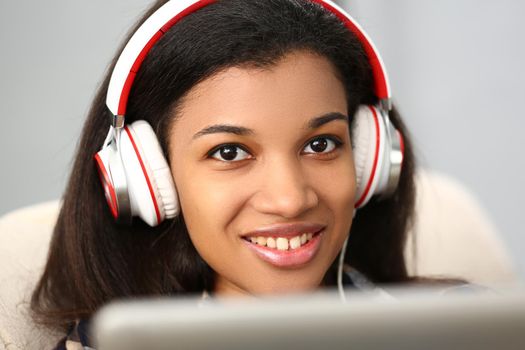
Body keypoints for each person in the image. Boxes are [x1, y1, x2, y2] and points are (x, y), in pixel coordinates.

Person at [31, 0, 421, 348]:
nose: (290, 200)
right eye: (230, 152)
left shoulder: (454, 327)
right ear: (148, 176)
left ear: (367, 157)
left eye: (320, 145)